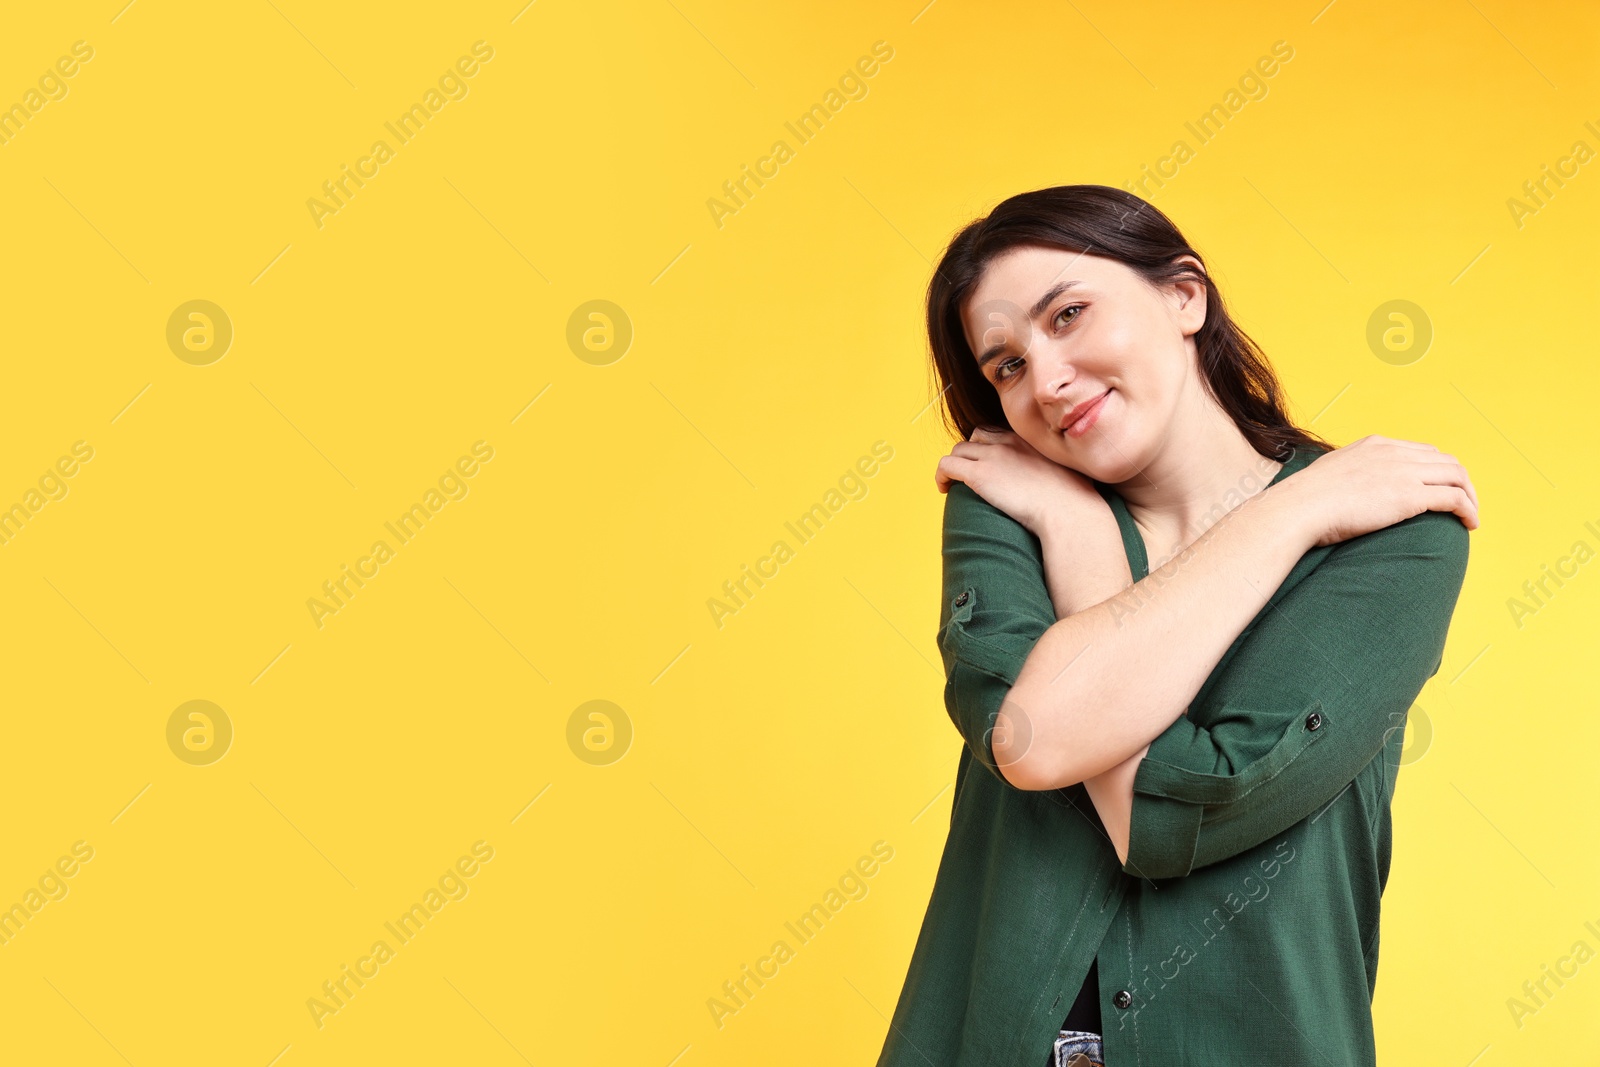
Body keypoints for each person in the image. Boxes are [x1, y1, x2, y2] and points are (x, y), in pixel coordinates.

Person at [876, 185, 1476, 1066]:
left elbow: (1183, 807)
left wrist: (1293, 511)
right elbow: (1036, 740)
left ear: (1183, 295)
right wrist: (1104, 524)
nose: (1044, 381)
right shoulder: (1004, 504)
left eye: (1070, 315)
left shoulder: (1393, 534)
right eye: (1005, 366)